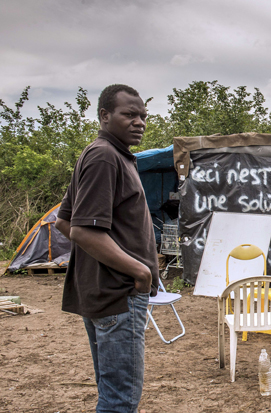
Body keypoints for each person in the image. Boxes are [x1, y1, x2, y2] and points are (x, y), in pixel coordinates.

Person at [55, 84, 159, 413]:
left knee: (113, 392)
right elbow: (82, 230)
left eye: (143, 116)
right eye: (129, 114)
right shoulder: (105, 157)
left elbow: (63, 221)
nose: (139, 122)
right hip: (118, 293)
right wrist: (140, 271)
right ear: (104, 115)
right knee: (120, 400)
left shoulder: (106, 154)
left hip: (105, 292)